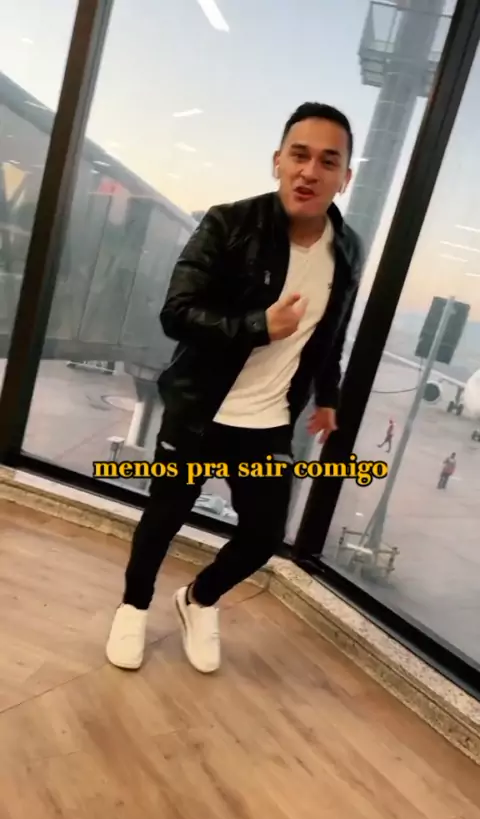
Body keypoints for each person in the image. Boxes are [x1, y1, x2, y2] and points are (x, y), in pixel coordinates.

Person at [106, 102, 364, 674]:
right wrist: (257, 326)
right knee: (164, 517)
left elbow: (331, 334)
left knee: (264, 535)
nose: (310, 171)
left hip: (268, 421)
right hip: (201, 409)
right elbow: (177, 312)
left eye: (328, 162)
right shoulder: (229, 223)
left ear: (344, 177)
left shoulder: (347, 250)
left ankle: (198, 599)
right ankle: (133, 607)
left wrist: (328, 398)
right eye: (299, 155)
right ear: (278, 161)